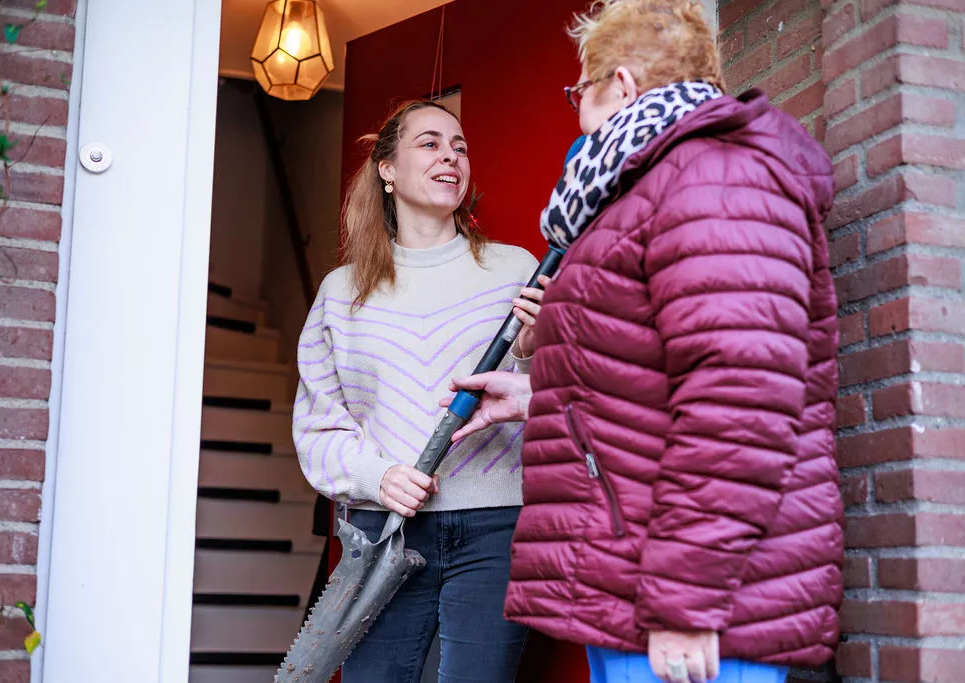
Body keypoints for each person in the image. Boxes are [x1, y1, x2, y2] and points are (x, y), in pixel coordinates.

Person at [439, 1, 843, 682]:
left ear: (621, 86)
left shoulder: (713, 177)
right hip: (644, 581)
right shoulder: (665, 182)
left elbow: (739, 402)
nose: (576, 114)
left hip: (690, 602)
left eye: (579, 92)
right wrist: (541, 396)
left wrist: (687, 600)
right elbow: (660, 376)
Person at [292, 99, 542, 683]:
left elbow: (563, 402)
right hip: (385, 530)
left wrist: (535, 350)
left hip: (496, 525)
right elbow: (319, 426)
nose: (450, 156)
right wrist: (378, 476)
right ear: (386, 168)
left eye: (460, 146)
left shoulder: (515, 271)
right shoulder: (343, 292)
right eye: (430, 143)